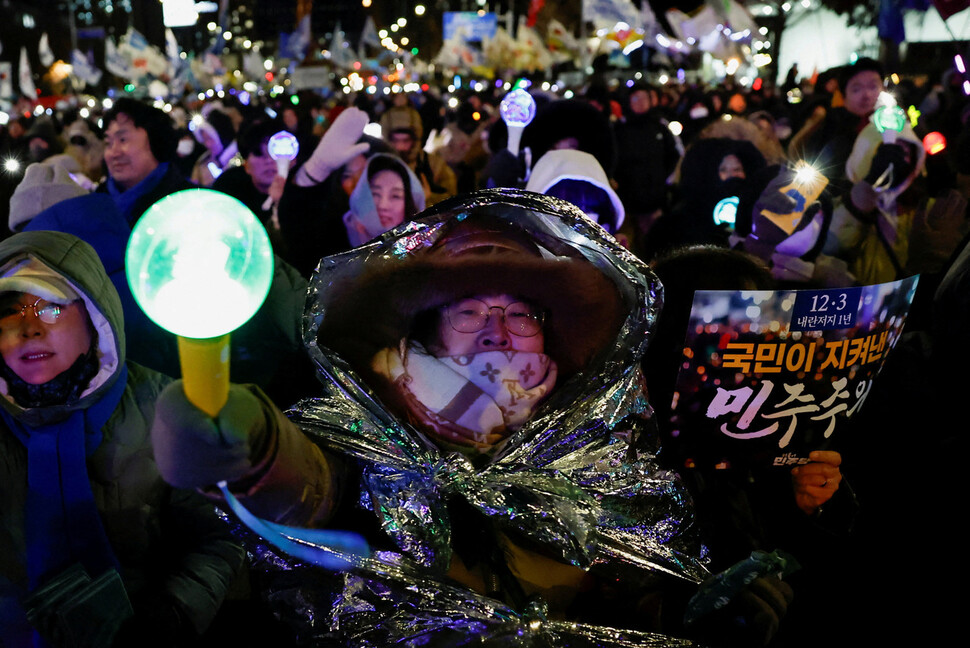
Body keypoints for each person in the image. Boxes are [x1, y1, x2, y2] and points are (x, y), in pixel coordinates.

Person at [152, 190, 793, 645]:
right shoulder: (360, 428)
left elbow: (632, 579)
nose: (496, 331)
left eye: (518, 314)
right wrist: (251, 443)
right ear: (429, 328)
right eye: (469, 312)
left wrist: (691, 610)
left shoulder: (604, 441)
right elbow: (316, 489)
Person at [0, 230, 244, 646]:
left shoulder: (165, 409)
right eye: (10, 311)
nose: (30, 328)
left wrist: (173, 610)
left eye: (52, 307)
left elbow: (220, 535)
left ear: (94, 316)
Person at [342, 152, 425, 247]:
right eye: (375, 194)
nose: (383, 205)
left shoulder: (424, 247)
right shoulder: (336, 236)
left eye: (395, 196)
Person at [385, 125, 457, 207]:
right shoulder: (381, 164)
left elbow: (452, 198)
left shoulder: (434, 164)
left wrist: (427, 198)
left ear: (414, 141)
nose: (400, 146)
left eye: (406, 140)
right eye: (396, 140)